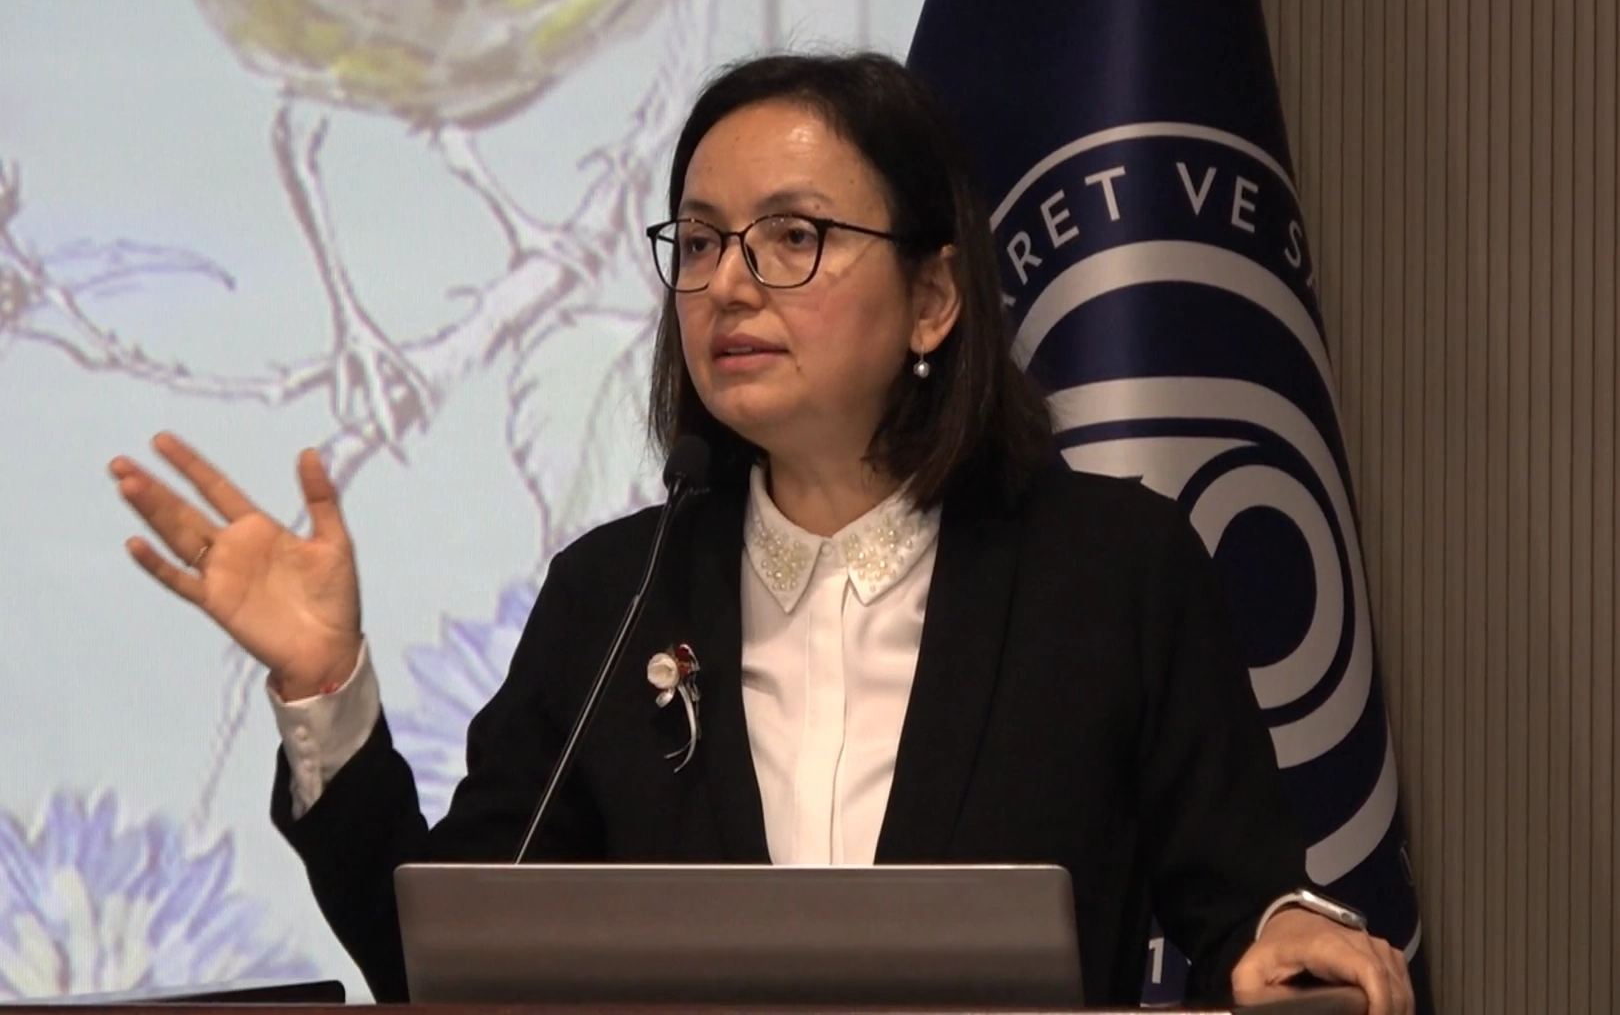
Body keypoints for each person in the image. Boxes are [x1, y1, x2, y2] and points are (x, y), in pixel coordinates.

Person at [109, 52, 1414, 1013]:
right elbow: (443, 962)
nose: (728, 282)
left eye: (793, 237)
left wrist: (1288, 933)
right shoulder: (616, 594)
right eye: (700, 242)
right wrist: (326, 688)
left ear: (933, 297)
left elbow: (1248, 912)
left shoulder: (1110, 570)